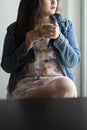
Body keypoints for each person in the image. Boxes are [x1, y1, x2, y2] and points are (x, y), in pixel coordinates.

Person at [1, 0, 81, 99]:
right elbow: (6, 66)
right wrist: (26, 45)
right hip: (27, 85)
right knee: (67, 87)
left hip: (58, 84)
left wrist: (59, 38)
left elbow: (73, 61)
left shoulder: (65, 26)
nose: (54, 1)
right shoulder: (15, 29)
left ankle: (28, 105)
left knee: (67, 86)